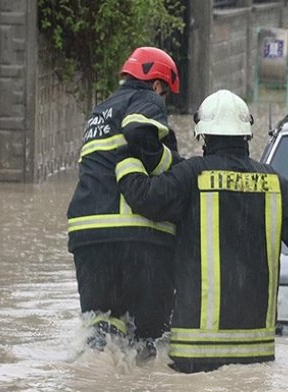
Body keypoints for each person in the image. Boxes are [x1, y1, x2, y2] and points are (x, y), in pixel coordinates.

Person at [114, 90, 288, 373]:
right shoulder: (275, 183)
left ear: (203, 136)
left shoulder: (192, 175)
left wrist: (125, 159)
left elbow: (145, 199)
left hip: (196, 348)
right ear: (247, 135)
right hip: (255, 351)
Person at [66, 46, 183, 360]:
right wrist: (170, 164)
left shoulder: (100, 111)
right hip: (133, 235)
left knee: (101, 329)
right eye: (166, 92)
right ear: (157, 83)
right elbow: (138, 131)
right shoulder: (146, 100)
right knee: (150, 336)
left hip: (87, 237)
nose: (164, 98)